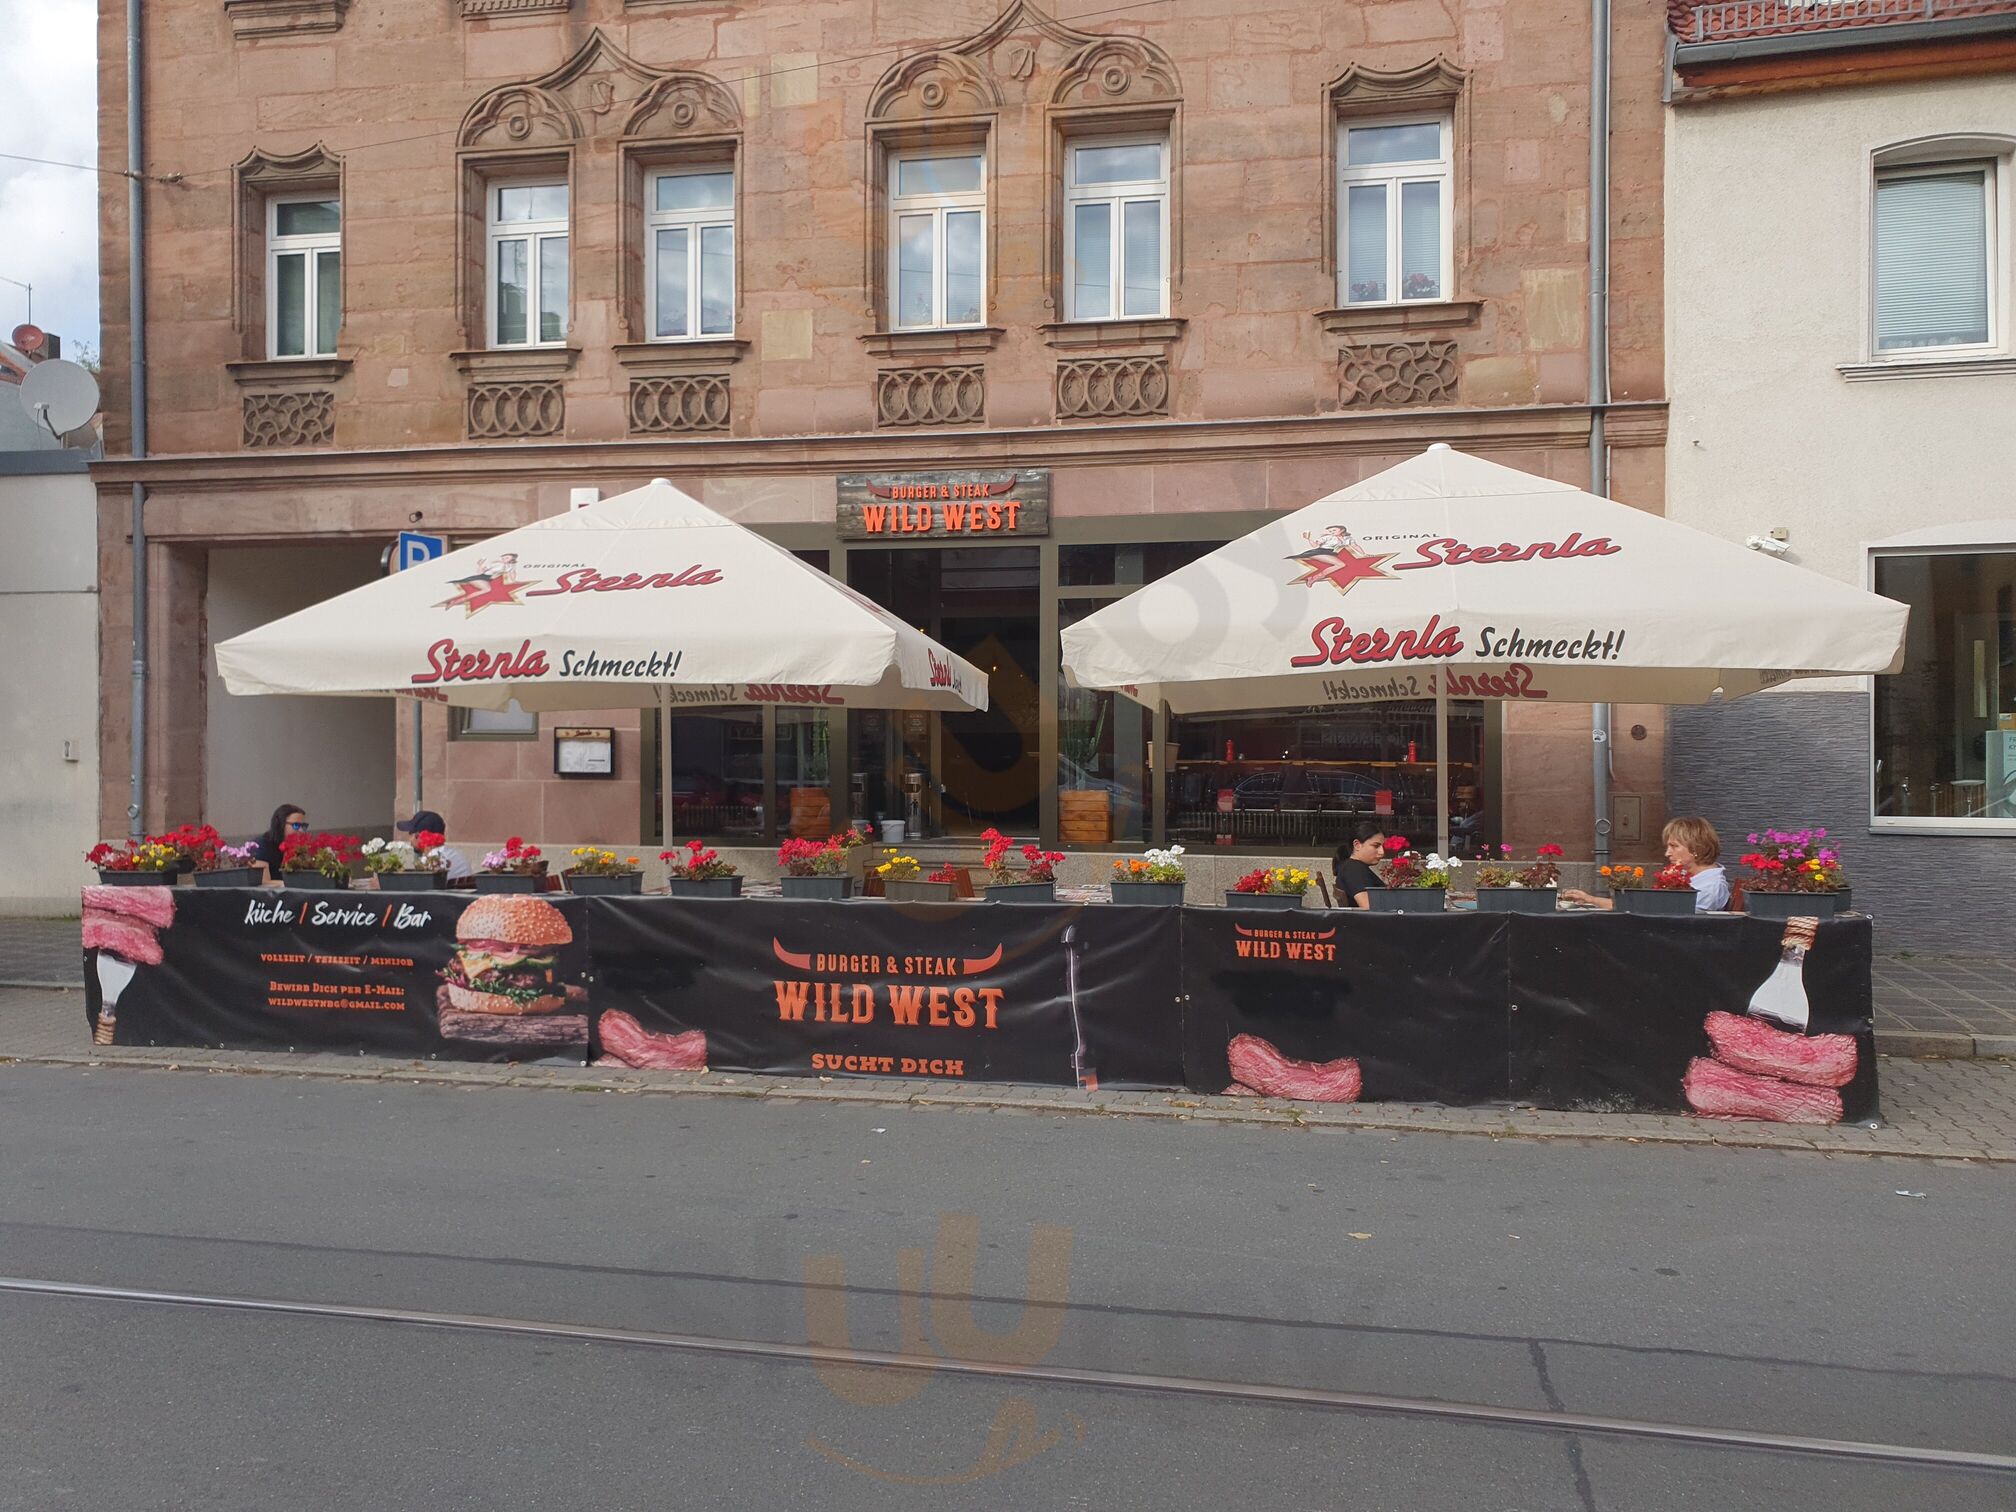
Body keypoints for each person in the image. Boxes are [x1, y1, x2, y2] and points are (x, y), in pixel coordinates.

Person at [1562, 816, 1732, 912]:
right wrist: (1590, 899)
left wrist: (1592, 900)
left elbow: (1657, 912)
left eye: (1674, 846)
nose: (1667, 853)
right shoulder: (1691, 878)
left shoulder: (1710, 887)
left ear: (1696, 848)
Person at [396, 809, 474, 881]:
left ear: (418, 836)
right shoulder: (458, 855)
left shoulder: (430, 861)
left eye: (410, 834)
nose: (410, 840)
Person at [1333, 821, 1388, 909]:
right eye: (1376, 846)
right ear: (1357, 845)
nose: (1382, 852)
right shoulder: (1354, 870)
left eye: (1382, 847)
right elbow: (1368, 908)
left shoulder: (1351, 867)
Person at [247, 802, 308, 880]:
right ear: (281, 824)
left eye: (303, 826)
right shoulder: (261, 846)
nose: (301, 830)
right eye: (296, 825)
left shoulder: (299, 848)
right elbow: (263, 882)